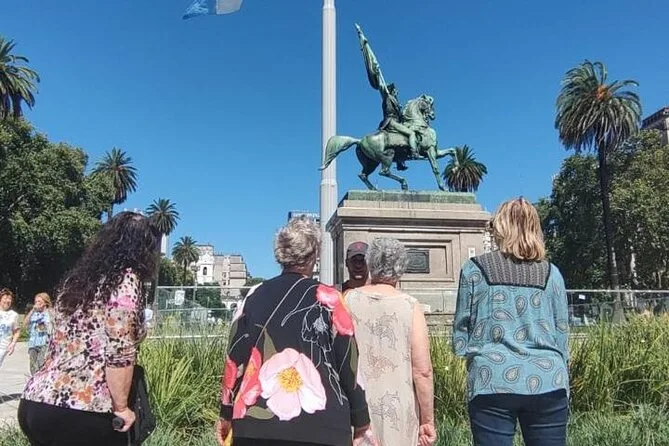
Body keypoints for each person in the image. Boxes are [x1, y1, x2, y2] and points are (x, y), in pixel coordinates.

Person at [215, 216, 372, 446]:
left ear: (280, 254)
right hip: (323, 428)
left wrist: (226, 412)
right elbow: (349, 362)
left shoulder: (254, 295)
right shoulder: (329, 299)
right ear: (314, 255)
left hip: (255, 426)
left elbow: (234, 358)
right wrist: (361, 419)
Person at [18, 212, 161, 446]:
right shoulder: (126, 281)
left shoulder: (76, 281)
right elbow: (120, 351)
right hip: (84, 407)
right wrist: (122, 408)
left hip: (36, 401)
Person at [452, 198, 570, 446]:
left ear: (500, 227)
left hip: (491, 378)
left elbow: (462, 328)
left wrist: (468, 353)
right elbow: (561, 331)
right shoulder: (552, 273)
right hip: (548, 378)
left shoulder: (475, 269)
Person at [346, 238, 437, 446]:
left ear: (370, 263)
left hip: (355, 406)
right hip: (397, 408)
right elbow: (422, 371)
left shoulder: (348, 300)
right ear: (401, 267)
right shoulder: (410, 306)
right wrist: (427, 421)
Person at [25, 292, 53, 375]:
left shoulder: (49, 313)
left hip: (44, 343)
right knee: (33, 367)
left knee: (40, 364)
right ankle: (34, 380)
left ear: (45, 303)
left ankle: (39, 380)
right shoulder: (34, 313)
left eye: (39, 301)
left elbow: (53, 327)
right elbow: (25, 323)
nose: (37, 303)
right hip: (33, 343)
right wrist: (32, 310)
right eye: (36, 302)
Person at [0, 288, 20, 367]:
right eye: (5, 298)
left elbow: (16, 331)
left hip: (3, 346)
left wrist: (13, 343)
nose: (8, 301)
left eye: (10, 299)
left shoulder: (14, 315)